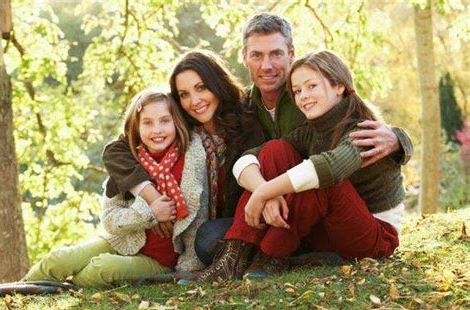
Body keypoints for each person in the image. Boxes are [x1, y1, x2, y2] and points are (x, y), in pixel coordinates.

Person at [194, 12, 413, 265]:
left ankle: (272, 255)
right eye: (257, 55)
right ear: (244, 58)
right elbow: (248, 157)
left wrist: (399, 140)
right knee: (208, 239)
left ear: (290, 54)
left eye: (275, 54)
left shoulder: (326, 105)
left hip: (345, 213)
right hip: (286, 208)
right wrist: (263, 193)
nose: (267, 66)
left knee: (321, 179)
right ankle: (255, 255)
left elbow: (337, 156)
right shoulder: (243, 108)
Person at [23, 88, 209, 287]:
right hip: (120, 242)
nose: (157, 130)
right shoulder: (127, 163)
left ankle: (65, 288)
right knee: (59, 259)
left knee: (101, 268)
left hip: (159, 261)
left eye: (164, 121)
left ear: (176, 122)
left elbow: (199, 217)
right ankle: (16, 290)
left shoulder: (190, 161)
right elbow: (110, 220)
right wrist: (149, 214)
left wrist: (187, 268)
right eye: (147, 122)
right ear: (136, 127)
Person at [102, 50, 266, 266]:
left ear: (216, 85)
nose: (194, 101)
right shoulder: (182, 128)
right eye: (184, 94)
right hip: (187, 230)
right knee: (206, 239)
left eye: (201, 88)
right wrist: (153, 200)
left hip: (236, 218)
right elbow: (115, 151)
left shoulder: (245, 123)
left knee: (207, 238)